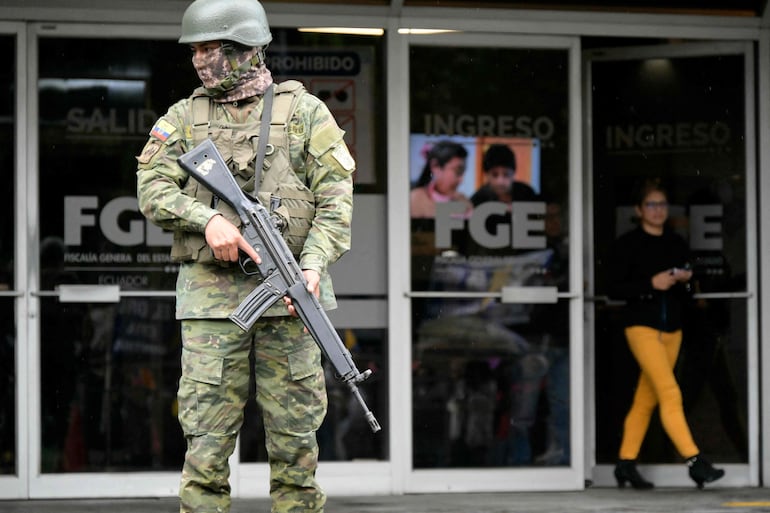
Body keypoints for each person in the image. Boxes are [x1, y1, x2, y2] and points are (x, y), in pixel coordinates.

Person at [135, 0, 355, 511]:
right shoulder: (184, 118)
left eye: (211, 48)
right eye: (196, 49)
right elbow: (151, 186)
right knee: (206, 448)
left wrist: (314, 265)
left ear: (247, 50)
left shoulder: (304, 113)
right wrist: (207, 219)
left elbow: (336, 203)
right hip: (212, 305)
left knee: (296, 446)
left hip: (294, 301)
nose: (199, 59)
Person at [607, 178, 724, 490]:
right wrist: (650, 284)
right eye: (651, 205)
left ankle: (625, 464)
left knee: (646, 400)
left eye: (661, 204)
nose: (657, 210)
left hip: (672, 330)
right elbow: (614, 289)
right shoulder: (627, 244)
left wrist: (685, 280)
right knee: (670, 394)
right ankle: (695, 461)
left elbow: (687, 295)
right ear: (638, 210)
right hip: (641, 328)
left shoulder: (676, 242)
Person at [410, 140, 472, 219]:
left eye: (463, 172)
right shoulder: (415, 200)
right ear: (435, 167)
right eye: (457, 171)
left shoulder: (464, 201)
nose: (461, 180)